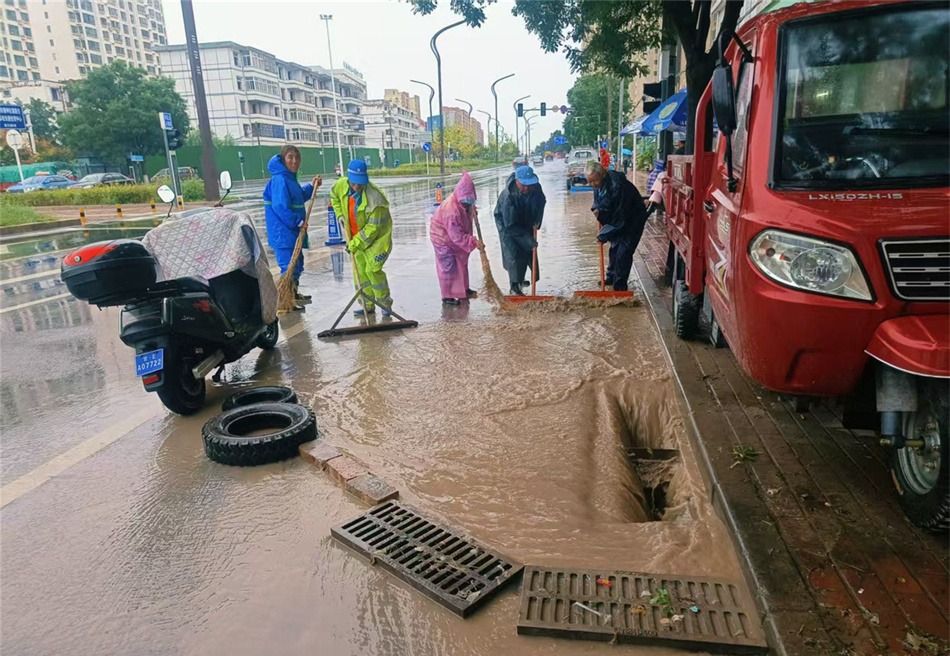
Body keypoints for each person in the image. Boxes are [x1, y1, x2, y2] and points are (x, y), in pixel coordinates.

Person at [329, 159, 394, 317]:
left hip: (377, 240)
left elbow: (371, 230)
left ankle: (385, 305)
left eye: (360, 183)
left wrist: (354, 244)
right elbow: (334, 197)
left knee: (373, 271)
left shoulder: (375, 199)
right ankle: (367, 304)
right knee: (360, 273)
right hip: (355, 237)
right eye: (354, 183)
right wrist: (339, 215)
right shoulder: (341, 185)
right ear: (349, 178)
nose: (357, 187)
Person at [263, 145, 322, 309]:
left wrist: (312, 187)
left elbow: (298, 197)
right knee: (288, 266)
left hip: (292, 232)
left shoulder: (289, 178)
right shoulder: (280, 179)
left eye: (297, 158)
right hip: (283, 232)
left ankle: (292, 295)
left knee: (296, 264)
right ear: (283, 159)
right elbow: (280, 206)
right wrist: (297, 221)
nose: (294, 161)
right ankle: (284, 301)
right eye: (290, 157)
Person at [586, 161, 648, 292]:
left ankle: (619, 288)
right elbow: (599, 203)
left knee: (623, 252)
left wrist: (605, 234)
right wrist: (598, 211)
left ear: (602, 175)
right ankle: (611, 277)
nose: (592, 185)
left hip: (632, 219)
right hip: (617, 219)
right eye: (589, 182)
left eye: (594, 181)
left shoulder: (618, 186)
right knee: (614, 248)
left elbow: (620, 218)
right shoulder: (598, 185)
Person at [429, 171, 484, 305]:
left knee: (461, 263)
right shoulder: (451, 211)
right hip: (442, 238)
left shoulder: (465, 203)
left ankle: (463, 290)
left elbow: (466, 212)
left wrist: (471, 210)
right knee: (448, 267)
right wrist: (473, 242)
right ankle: (447, 296)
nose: (467, 204)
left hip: (454, 235)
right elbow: (457, 236)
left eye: (469, 202)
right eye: (465, 202)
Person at [494, 165, 546, 296]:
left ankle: (521, 279)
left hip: (526, 219)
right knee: (513, 251)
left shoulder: (536, 189)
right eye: (523, 185)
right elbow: (511, 225)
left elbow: (541, 203)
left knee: (528, 249)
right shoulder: (508, 197)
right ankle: (514, 286)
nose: (527, 188)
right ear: (517, 181)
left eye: (529, 185)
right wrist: (528, 240)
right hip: (507, 223)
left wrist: (537, 221)